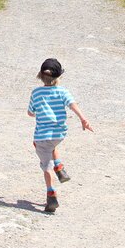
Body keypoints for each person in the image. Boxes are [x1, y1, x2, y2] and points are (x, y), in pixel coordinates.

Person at [27, 58, 92, 212]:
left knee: (46, 166)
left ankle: (51, 194)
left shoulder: (36, 93)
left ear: (40, 76)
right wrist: (83, 119)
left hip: (42, 136)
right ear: (58, 77)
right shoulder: (63, 92)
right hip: (59, 133)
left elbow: (30, 113)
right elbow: (72, 105)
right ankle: (60, 167)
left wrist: (37, 111)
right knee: (52, 146)